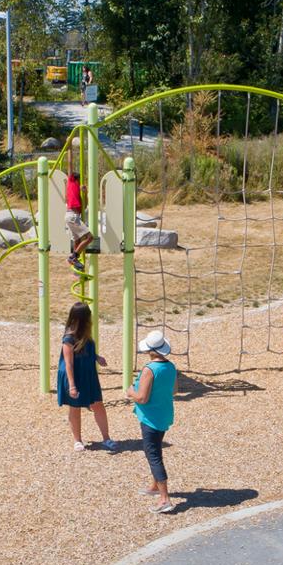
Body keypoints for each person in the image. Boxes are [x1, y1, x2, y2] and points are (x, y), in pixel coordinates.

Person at [125, 330, 181, 514]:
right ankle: (155, 485)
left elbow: (142, 397)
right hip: (163, 414)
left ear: (149, 351)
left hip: (151, 418)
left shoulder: (150, 369)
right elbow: (173, 391)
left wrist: (130, 391)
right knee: (154, 450)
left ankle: (165, 498)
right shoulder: (170, 367)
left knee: (153, 454)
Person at [56, 303, 114, 452]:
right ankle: (77, 440)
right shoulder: (69, 338)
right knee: (75, 407)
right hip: (74, 375)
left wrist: (97, 357)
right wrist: (72, 385)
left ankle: (106, 438)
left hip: (88, 374)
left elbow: (85, 351)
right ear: (84, 318)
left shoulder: (86, 334)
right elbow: (68, 363)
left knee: (98, 405)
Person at [63, 173, 94, 274]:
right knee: (90, 237)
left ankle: (76, 265)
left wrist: (85, 193)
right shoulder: (72, 185)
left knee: (77, 241)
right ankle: (73, 257)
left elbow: (84, 206)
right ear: (76, 179)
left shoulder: (77, 194)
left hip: (71, 216)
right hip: (72, 216)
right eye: (79, 180)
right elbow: (70, 167)